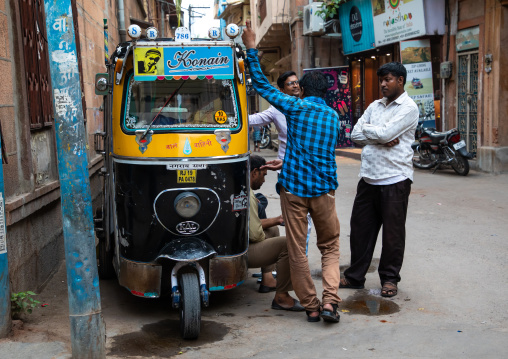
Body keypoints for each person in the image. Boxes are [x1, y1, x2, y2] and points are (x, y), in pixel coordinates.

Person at [242, 20, 342, 323]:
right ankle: (330, 303)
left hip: (295, 190)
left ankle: (310, 306)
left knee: (297, 249)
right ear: (326, 94)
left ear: (302, 90)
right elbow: (317, 154)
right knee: (330, 248)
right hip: (324, 190)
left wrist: (250, 48)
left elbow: (260, 83)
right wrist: (283, 161)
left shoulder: (295, 108)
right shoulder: (333, 117)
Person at [340, 62, 419, 298]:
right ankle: (355, 277)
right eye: (382, 80)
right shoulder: (375, 105)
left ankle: (390, 279)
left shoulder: (409, 108)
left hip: (395, 178)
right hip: (368, 178)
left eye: (389, 79)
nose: (383, 84)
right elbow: (355, 134)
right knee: (360, 231)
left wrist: (373, 133)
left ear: (401, 81)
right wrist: (380, 137)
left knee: (393, 235)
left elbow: (384, 133)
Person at [249, 71, 313, 254]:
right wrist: (228, 121)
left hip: (307, 168)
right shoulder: (276, 109)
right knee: (292, 214)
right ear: (281, 89)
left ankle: (301, 255)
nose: (295, 85)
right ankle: (291, 258)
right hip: (285, 168)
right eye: (290, 83)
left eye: (296, 82)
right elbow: (255, 120)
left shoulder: (307, 106)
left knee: (305, 215)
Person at [248, 155, 304, 311]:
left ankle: (268, 279)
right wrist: (262, 235)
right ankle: (282, 297)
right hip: (243, 252)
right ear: (254, 172)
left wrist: (275, 221)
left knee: (272, 229)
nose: (264, 181)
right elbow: (255, 235)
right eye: (263, 176)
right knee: (288, 244)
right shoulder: (247, 194)